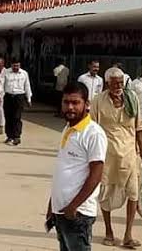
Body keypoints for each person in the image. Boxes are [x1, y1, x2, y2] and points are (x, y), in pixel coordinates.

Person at [47, 82, 107, 251]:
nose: (70, 107)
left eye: (75, 102)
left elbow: (96, 174)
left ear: (86, 104)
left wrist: (74, 206)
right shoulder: (68, 128)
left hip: (78, 213)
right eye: (66, 102)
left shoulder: (93, 133)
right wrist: (52, 204)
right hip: (62, 210)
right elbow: (64, 170)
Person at [89, 67, 142, 249]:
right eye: (114, 84)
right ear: (107, 84)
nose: (118, 87)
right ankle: (108, 231)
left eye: (121, 83)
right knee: (105, 193)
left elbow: (139, 127)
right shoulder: (98, 101)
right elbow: (92, 128)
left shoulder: (132, 98)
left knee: (133, 193)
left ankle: (128, 235)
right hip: (107, 155)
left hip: (129, 154)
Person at [2, 58, 32, 146]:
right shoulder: (6, 72)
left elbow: (27, 86)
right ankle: (9, 136)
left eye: (17, 65)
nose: (16, 67)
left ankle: (17, 137)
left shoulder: (24, 73)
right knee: (8, 117)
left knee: (17, 117)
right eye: (14, 65)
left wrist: (29, 98)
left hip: (19, 97)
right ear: (11, 65)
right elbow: (1, 84)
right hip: (8, 96)